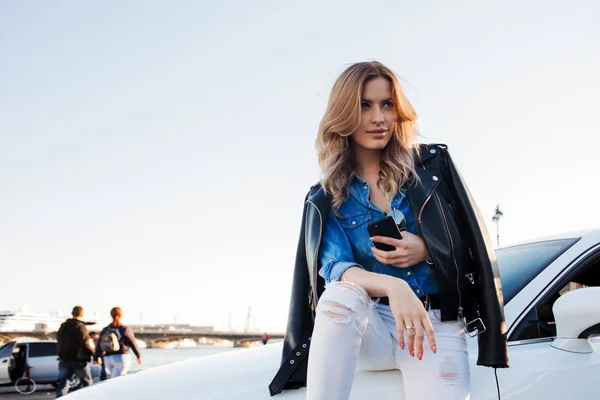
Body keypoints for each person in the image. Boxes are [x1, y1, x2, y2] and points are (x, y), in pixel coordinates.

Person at [269, 61, 509, 399]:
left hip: (434, 324)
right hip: (374, 327)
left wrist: (427, 250)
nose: (379, 117)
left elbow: (474, 245)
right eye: (365, 106)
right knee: (339, 295)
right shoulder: (326, 197)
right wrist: (394, 287)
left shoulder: (431, 167)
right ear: (344, 113)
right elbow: (337, 271)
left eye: (387, 104)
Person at [56, 306, 95, 398]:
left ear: (72, 313)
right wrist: (94, 354)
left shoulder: (63, 326)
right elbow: (84, 343)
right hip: (78, 360)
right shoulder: (80, 326)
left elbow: (58, 339)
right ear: (82, 314)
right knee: (87, 384)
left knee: (62, 386)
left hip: (64, 359)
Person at [94, 307, 142, 378]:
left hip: (107, 358)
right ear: (121, 315)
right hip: (121, 357)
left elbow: (99, 344)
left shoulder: (105, 329)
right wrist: (138, 356)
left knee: (113, 378)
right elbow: (133, 342)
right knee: (118, 380)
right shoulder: (124, 329)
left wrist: (96, 357)